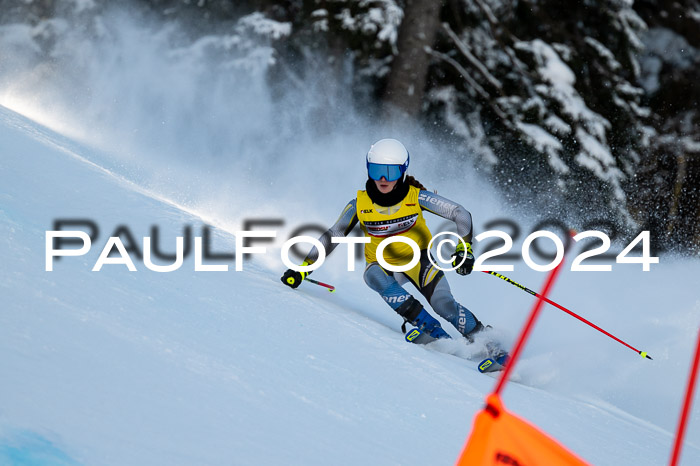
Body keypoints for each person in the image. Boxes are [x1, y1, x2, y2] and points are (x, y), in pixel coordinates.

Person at [281, 138, 488, 345]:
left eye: (390, 172)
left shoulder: (417, 197)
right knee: (373, 276)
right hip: (382, 265)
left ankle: (487, 342)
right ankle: (429, 327)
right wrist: (304, 268)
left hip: (418, 261)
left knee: (444, 304)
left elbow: (459, 212)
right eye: (376, 170)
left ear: (402, 172)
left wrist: (464, 249)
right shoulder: (359, 205)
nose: (382, 178)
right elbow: (334, 234)